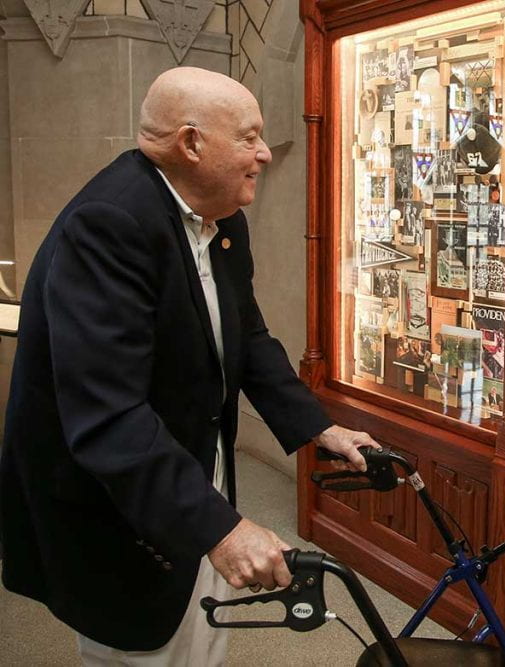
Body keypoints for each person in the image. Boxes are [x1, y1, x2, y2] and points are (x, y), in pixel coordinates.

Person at [0, 67, 376, 662]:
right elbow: (108, 417)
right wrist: (222, 528)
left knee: (198, 640)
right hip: (117, 507)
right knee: (144, 643)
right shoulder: (107, 225)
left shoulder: (222, 217)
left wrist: (316, 426)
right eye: (249, 138)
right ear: (192, 143)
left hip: (189, 476)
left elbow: (246, 336)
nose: (263, 155)